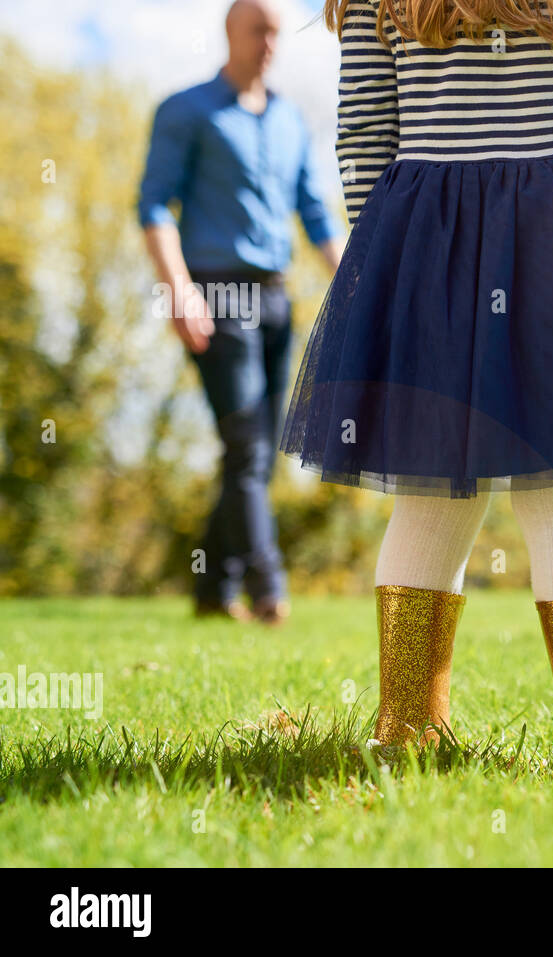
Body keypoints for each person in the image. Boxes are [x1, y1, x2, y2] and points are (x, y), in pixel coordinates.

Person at [280, 0, 553, 760]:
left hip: (427, 233)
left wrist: (383, 257)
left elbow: (362, 128)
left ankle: (407, 729)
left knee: (427, 495)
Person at [139, 0, 345, 624]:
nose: (270, 44)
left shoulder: (288, 120)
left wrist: (359, 286)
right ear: (231, 30)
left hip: (277, 296)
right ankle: (268, 587)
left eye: (278, 34)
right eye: (259, 30)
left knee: (251, 451)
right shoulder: (186, 110)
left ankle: (210, 587)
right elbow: (153, 207)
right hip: (215, 293)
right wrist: (178, 289)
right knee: (247, 442)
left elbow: (315, 215)